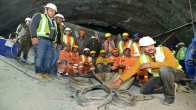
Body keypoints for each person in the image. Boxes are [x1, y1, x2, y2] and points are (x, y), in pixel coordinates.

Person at [112, 36, 185, 105]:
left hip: (177, 73)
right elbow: (132, 69)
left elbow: (173, 64)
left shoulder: (164, 49)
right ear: (142, 48)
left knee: (164, 70)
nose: (150, 48)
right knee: (144, 90)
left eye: (151, 45)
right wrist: (120, 80)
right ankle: (170, 87)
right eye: (146, 46)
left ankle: (170, 97)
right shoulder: (142, 58)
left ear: (154, 44)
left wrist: (151, 64)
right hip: (159, 76)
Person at [30, 3, 58, 79]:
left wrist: (54, 42)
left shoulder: (53, 22)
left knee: (48, 58)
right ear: (46, 10)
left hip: (50, 42)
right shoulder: (39, 16)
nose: (52, 12)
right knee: (40, 56)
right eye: (51, 10)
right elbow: (33, 25)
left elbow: (55, 33)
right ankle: (38, 72)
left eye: (54, 11)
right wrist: (33, 37)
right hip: (41, 40)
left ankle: (45, 73)